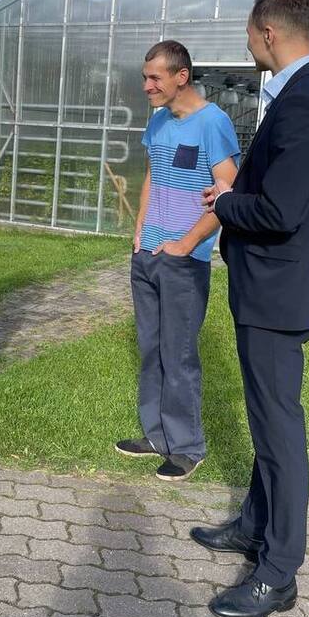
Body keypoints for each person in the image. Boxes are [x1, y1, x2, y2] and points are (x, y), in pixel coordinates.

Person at [196, 0, 309, 617]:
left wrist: (223, 202)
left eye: (249, 34)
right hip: (272, 286)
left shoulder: (305, 103)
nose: (248, 43)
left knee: (279, 431)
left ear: (269, 34)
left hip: (278, 294)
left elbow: (280, 210)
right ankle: (256, 525)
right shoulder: (299, 96)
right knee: (267, 419)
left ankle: (278, 571)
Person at [116, 41, 240, 481]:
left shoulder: (214, 123)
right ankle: (157, 436)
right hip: (147, 253)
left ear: (181, 76)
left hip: (185, 260)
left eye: (155, 78)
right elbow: (153, 176)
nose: (147, 85)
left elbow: (227, 188)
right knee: (151, 350)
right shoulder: (159, 122)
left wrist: (186, 244)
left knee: (179, 353)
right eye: (145, 77)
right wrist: (139, 230)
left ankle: (187, 446)